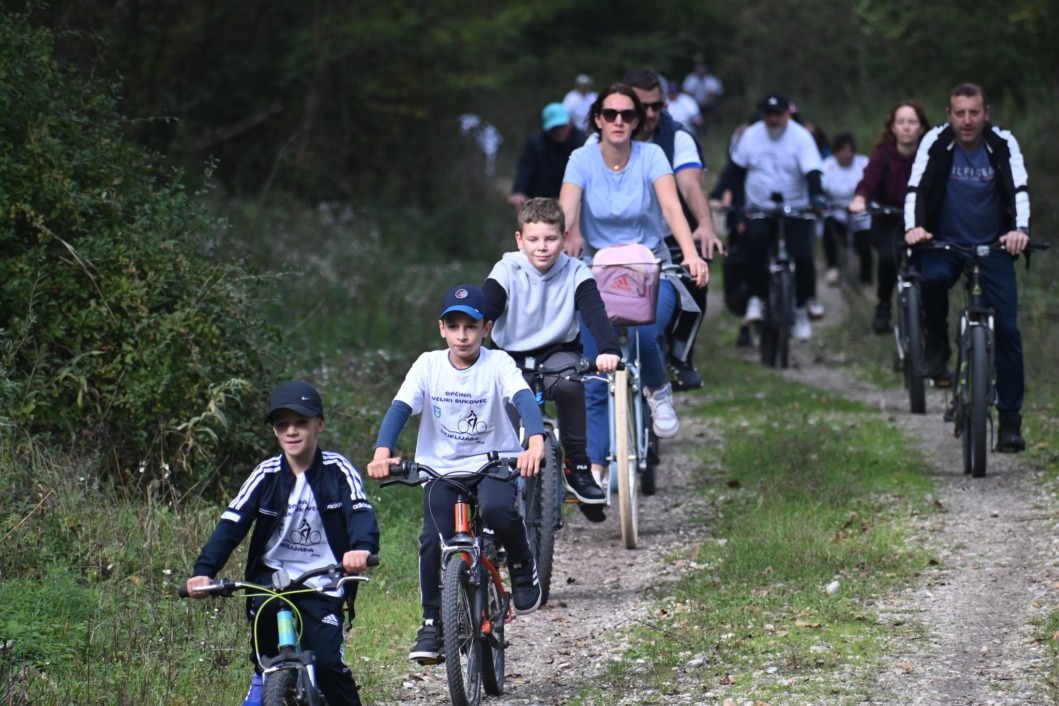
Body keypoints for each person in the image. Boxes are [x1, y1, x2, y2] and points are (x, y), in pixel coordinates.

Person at [366, 284, 546, 663]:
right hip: (441, 469)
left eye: (471, 326)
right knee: (433, 540)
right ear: (442, 329)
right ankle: (432, 623)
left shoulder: (498, 364)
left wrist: (535, 442)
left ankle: (521, 564)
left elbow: (524, 400)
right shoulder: (428, 365)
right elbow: (401, 408)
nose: (462, 335)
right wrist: (383, 452)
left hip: (493, 463)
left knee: (498, 510)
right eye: (454, 326)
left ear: (486, 328)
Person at [186, 380, 381, 706]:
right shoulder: (266, 474)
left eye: (301, 422)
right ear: (275, 431)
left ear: (319, 425)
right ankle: (264, 681)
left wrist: (361, 548)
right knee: (264, 655)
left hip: (322, 579)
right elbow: (232, 524)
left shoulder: (337, 470)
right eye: (282, 424)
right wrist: (203, 571)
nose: (291, 431)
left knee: (329, 665)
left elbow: (359, 510)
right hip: (270, 579)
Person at [558, 83, 709, 483]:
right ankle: (595, 467)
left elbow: (671, 207)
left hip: (650, 268)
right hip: (596, 272)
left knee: (645, 331)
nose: (619, 121)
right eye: (610, 114)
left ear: (638, 121)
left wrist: (690, 253)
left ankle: (657, 390)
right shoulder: (581, 159)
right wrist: (556, 244)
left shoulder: (652, 156)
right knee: (594, 371)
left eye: (628, 114)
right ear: (597, 119)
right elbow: (567, 210)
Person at [904, 83, 1031, 451]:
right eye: (959, 113)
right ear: (949, 115)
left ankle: (1010, 422)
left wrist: (1020, 231)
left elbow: (1019, 189)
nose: (967, 120)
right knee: (931, 279)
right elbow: (916, 188)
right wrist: (914, 228)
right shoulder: (935, 141)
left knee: (1007, 329)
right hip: (945, 242)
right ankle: (937, 345)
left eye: (974, 112)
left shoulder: (1003, 143)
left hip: (994, 245)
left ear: (985, 113)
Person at [483, 198, 621, 515]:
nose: (542, 247)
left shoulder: (576, 271)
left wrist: (609, 349)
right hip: (510, 358)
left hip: (558, 354)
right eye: (533, 239)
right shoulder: (506, 270)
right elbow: (486, 310)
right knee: (503, 408)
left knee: (572, 384)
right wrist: (470, 342)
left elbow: (595, 312)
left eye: (550, 238)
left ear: (565, 237)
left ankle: (577, 465)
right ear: (520, 239)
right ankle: (499, 475)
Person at [621, 68, 724, 391]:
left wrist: (705, 225)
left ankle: (680, 354)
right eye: (644, 107)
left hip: (669, 236)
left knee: (696, 275)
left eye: (658, 106)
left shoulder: (678, 137)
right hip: (615, 241)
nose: (651, 114)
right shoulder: (603, 137)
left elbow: (691, 185)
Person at [726, 92, 826, 341]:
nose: (773, 119)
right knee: (755, 242)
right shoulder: (751, 135)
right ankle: (756, 299)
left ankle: (801, 308)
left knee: (802, 254)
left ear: (787, 114)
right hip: (759, 205)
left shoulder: (801, 136)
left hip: (795, 206)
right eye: (768, 114)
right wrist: (735, 205)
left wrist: (816, 197)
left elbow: (813, 171)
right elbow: (736, 172)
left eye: (778, 114)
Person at [850, 101, 930, 334]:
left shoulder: (931, 156)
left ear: (922, 128)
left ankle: (928, 312)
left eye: (912, 122)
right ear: (893, 127)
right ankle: (883, 304)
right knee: (888, 258)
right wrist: (860, 200)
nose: (906, 127)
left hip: (922, 222)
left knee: (932, 265)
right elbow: (868, 181)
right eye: (901, 122)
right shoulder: (882, 155)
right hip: (888, 221)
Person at [508, 103, 586, 211]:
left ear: (570, 123)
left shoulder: (583, 143)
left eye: (562, 126)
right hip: (541, 201)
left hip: (575, 201)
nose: (558, 131)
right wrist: (518, 191)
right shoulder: (536, 143)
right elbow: (525, 168)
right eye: (554, 128)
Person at [820, 132, 871, 289]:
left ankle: (866, 280)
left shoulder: (864, 163)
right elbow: (821, 188)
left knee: (865, 246)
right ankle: (832, 267)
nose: (846, 155)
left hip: (861, 214)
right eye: (843, 151)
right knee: (828, 228)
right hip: (837, 212)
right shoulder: (827, 166)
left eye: (849, 151)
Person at [681, 56, 724, 131]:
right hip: (694, 103)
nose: (701, 74)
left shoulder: (711, 80)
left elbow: (716, 92)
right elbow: (686, 91)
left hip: (708, 105)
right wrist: (693, 102)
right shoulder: (691, 79)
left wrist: (708, 102)